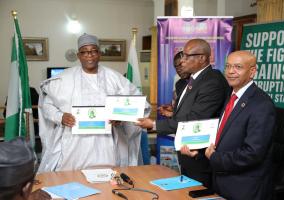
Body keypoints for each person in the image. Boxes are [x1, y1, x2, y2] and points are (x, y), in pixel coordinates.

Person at [38, 33, 150, 172]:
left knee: (106, 179)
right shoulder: (63, 79)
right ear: (79, 56)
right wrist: (60, 117)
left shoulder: (114, 78)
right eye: (84, 52)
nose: (89, 55)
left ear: (99, 53)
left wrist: (121, 118)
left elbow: (137, 105)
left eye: (93, 51)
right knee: (70, 179)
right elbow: (47, 105)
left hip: (105, 142)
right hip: (73, 143)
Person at [137, 39, 229, 187]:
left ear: (202, 58)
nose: (183, 60)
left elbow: (194, 119)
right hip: (188, 153)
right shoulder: (192, 80)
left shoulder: (212, 81)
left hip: (200, 156)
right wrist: (173, 112)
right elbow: (189, 111)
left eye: (187, 56)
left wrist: (154, 124)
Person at [204, 51, 275, 200]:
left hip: (243, 189)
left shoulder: (261, 104)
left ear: (252, 72)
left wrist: (215, 158)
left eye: (238, 67)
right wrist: (199, 152)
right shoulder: (231, 96)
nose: (230, 71)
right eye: (228, 66)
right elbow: (223, 138)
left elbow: (252, 153)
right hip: (221, 182)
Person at [158, 51, 190, 118]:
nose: (178, 69)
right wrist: (173, 109)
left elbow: (197, 113)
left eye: (180, 65)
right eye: (176, 67)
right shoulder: (179, 84)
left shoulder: (202, 82)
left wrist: (172, 114)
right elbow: (181, 108)